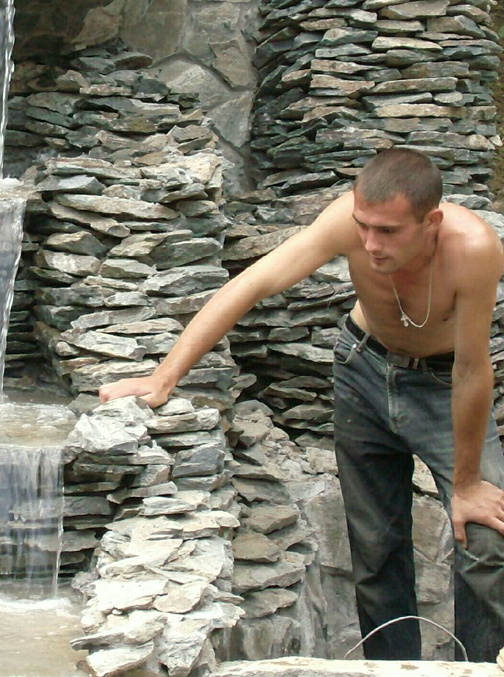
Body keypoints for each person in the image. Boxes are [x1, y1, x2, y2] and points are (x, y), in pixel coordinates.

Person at [99, 147, 504, 661]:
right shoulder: (347, 221)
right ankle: (391, 669)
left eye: (389, 232)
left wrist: (467, 483)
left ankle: (481, 666)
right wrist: (163, 378)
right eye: (363, 226)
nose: (370, 244)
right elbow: (253, 283)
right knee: (376, 549)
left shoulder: (474, 249)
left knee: (488, 538)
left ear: (432, 222)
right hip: (363, 369)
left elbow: (472, 369)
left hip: (445, 386)